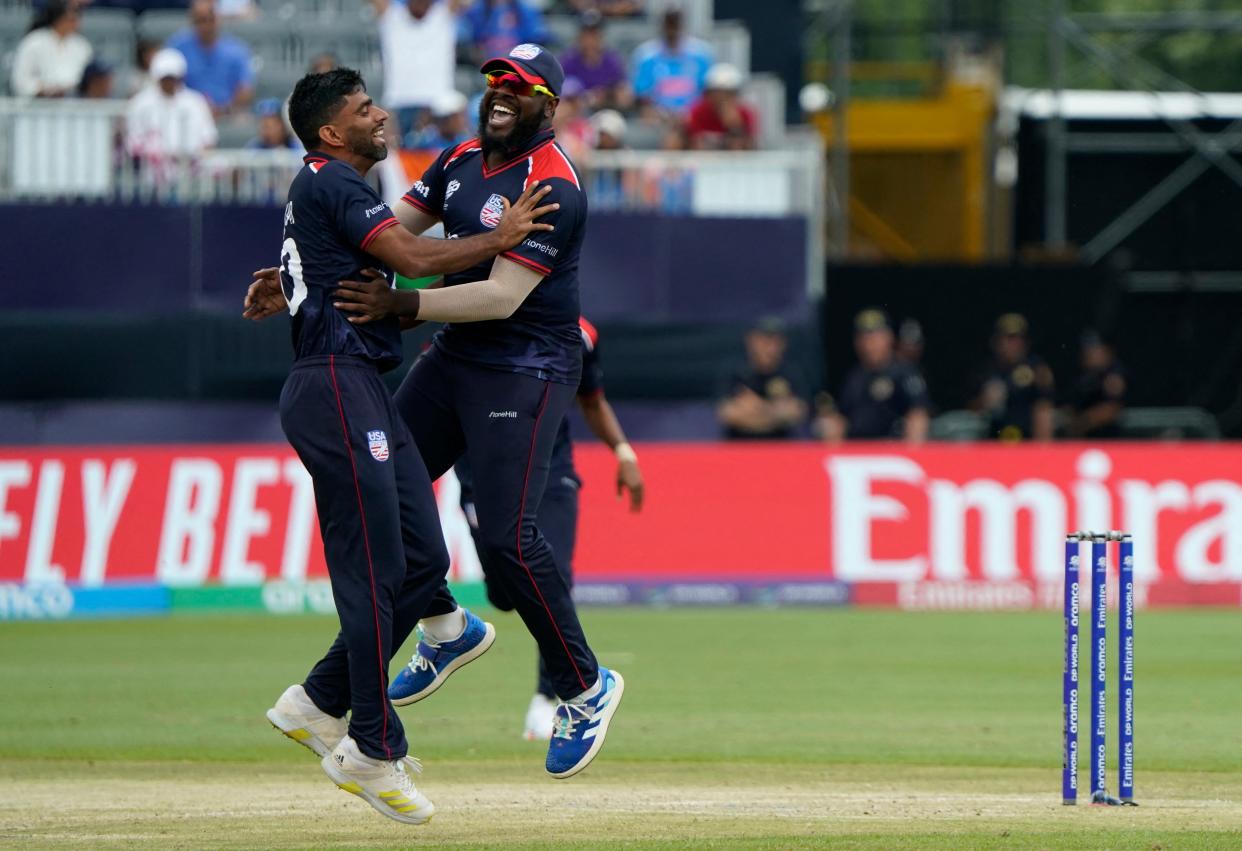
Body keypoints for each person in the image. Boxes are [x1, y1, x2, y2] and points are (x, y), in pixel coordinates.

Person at [249, 45, 625, 783]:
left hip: (529, 366)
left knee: (511, 540)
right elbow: (387, 234)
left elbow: (500, 296)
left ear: (551, 103)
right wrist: (310, 272)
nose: (499, 95)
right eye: (493, 82)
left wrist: (402, 303)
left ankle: (584, 687)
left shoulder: (554, 185)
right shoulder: (458, 157)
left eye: (518, 87)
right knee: (390, 502)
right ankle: (412, 649)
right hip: (456, 356)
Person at [456, 315, 644, 740]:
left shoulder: (579, 334)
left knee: (552, 574)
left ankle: (551, 698)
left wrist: (624, 452)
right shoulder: (472, 320)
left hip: (551, 472)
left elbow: (592, 400)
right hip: (484, 478)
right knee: (505, 595)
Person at [817, 309, 930, 443]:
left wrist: (912, 452)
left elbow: (918, 415)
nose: (870, 344)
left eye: (875, 338)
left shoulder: (904, 372)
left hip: (892, 448)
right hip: (857, 451)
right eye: (864, 338)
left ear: (889, 338)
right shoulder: (854, 377)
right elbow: (842, 418)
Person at [372, 0, 463, 145]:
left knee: (459, 115)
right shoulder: (392, 16)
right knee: (385, 145)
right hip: (398, 101)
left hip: (438, 101)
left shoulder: (442, 15)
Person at [717, 316, 809, 439]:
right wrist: (776, 412)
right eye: (764, 341)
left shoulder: (790, 373)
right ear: (751, 341)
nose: (769, 348)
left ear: (783, 344)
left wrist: (759, 408)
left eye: (775, 341)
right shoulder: (736, 372)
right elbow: (727, 413)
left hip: (780, 448)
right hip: (739, 447)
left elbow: (797, 411)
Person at [125, 48, 217, 167]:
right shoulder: (140, 103)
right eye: (166, 78)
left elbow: (208, 138)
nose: (169, 83)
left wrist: (192, 160)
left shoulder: (195, 101)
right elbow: (134, 139)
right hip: (151, 170)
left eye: (173, 78)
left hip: (191, 168)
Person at [971, 313, 1055, 441]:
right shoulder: (987, 371)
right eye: (1009, 338)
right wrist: (984, 401)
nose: (1014, 344)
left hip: (1027, 439)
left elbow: (1044, 404)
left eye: (1019, 339)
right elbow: (969, 410)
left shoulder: (1036, 368)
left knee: (1042, 412)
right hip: (993, 438)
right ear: (996, 342)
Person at [167, 0, 254, 116]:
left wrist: (224, 110)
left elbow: (245, 89)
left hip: (227, 114)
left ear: (218, 19)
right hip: (185, 114)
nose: (206, 26)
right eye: (200, 20)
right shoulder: (177, 48)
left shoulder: (236, 50)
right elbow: (169, 84)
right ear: (192, 21)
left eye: (210, 19)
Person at [631, 8, 712, 115]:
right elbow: (641, 94)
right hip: (656, 119)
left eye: (675, 24)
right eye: (669, 24)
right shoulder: (645, 55)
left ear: (682, 26)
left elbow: (708, 92)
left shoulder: (702, 54)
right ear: (662, 26)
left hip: (694, 118)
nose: (672, 30)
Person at [10, 0, 92, 99]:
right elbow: (20, 80)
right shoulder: (34, 41)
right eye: (71, 19)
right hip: (36, 105)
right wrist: (45, 90)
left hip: (73, 103)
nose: (75, 23)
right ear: (58, 18)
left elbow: (87, 80)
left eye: (77, 19)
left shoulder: (82, 46)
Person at [559, 10, 630, 111]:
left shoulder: (612, 61)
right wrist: (587, 97)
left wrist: (608, 95)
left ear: (601, 36)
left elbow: (623, 95)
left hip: (606, 111)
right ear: (579, 36)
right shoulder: (568, 61)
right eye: (586, 34)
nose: (590, 40)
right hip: (576, 114)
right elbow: (562, 94)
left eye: (594, 34)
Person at [1068, 330, 1127, 439]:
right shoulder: (1082, 374)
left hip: (1109, 439)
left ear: (1107, 351)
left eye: (1094, 349)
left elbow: (1112, 409)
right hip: (1086, 439)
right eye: (1086, 350)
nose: (1089, 354)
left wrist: (1082, 422)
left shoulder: (1114, 373)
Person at [685, 62, 757, 150]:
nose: (721, 98)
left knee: (736, 142)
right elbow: (695, 142)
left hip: (735, 161)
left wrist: (735, 126)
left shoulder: (745, 113)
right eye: (717, 92)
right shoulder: (699, 111)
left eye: (727, 93)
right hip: (705, 158)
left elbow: (750, 147)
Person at [459, 0, 550, 64]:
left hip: (518, 65)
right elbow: (467, 39)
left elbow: (537, 38)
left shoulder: (526, 11)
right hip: (483, 65)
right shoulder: (475, 11)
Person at [406, 90, 472, 150]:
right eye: (459, 116)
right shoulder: (424, 144)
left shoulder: (464, 142)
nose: (463, 121)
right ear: (446, 120)